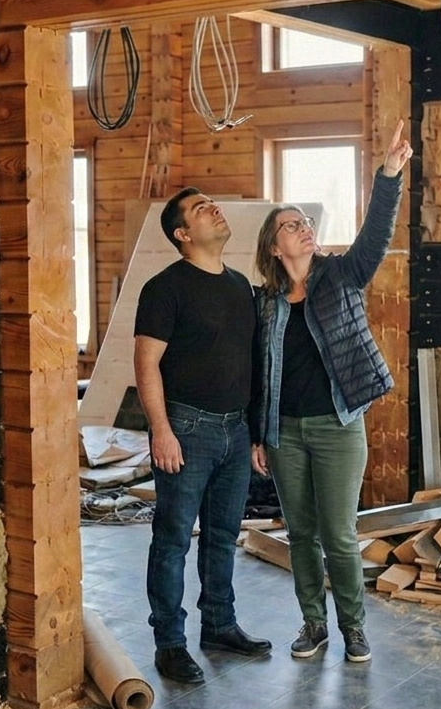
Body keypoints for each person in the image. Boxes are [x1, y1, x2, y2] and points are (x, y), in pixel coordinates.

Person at [251, 120, 413, 663]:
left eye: (305, 223)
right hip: (285, 433)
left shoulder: (341, 275)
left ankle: (355, 628)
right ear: (274, 247)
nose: (304, 229)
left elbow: (375, 237)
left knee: (340, 535)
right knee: (301, 534)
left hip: (339, 424)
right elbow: (259, 372)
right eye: (291, 226)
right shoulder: (266, 302)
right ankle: (312, 625)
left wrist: (387, 176)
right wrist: (259, 434)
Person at [134, 188, 272, 684]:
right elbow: (146, 364)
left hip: (235, 431)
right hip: (187, 430)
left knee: (222, 536)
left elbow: (251, 366)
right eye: (200, 208)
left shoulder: (239, 285)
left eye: (211, 202)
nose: (214, 208)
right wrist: (161, 432)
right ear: (183, 234)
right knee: (172, 540)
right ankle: (170, 643)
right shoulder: (164, 288)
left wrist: (255, 434)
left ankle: (219, 625)